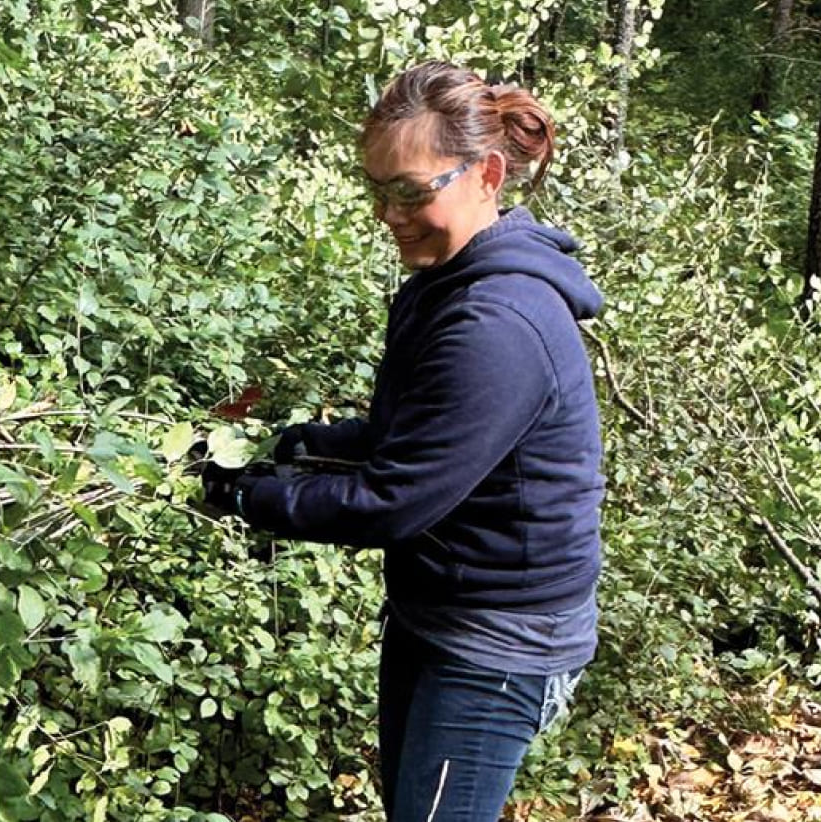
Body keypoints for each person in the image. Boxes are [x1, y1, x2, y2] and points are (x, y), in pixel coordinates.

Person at [201, 60, 605, 822]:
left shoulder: (500, 323)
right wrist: (305, 447)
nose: (392, 214)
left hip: (499, 640)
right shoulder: (446, 284)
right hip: (438, 607)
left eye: (412, 192)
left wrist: (251, 497)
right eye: (379, 191)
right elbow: (409, 439)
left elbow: (397, 499)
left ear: (487, 173)